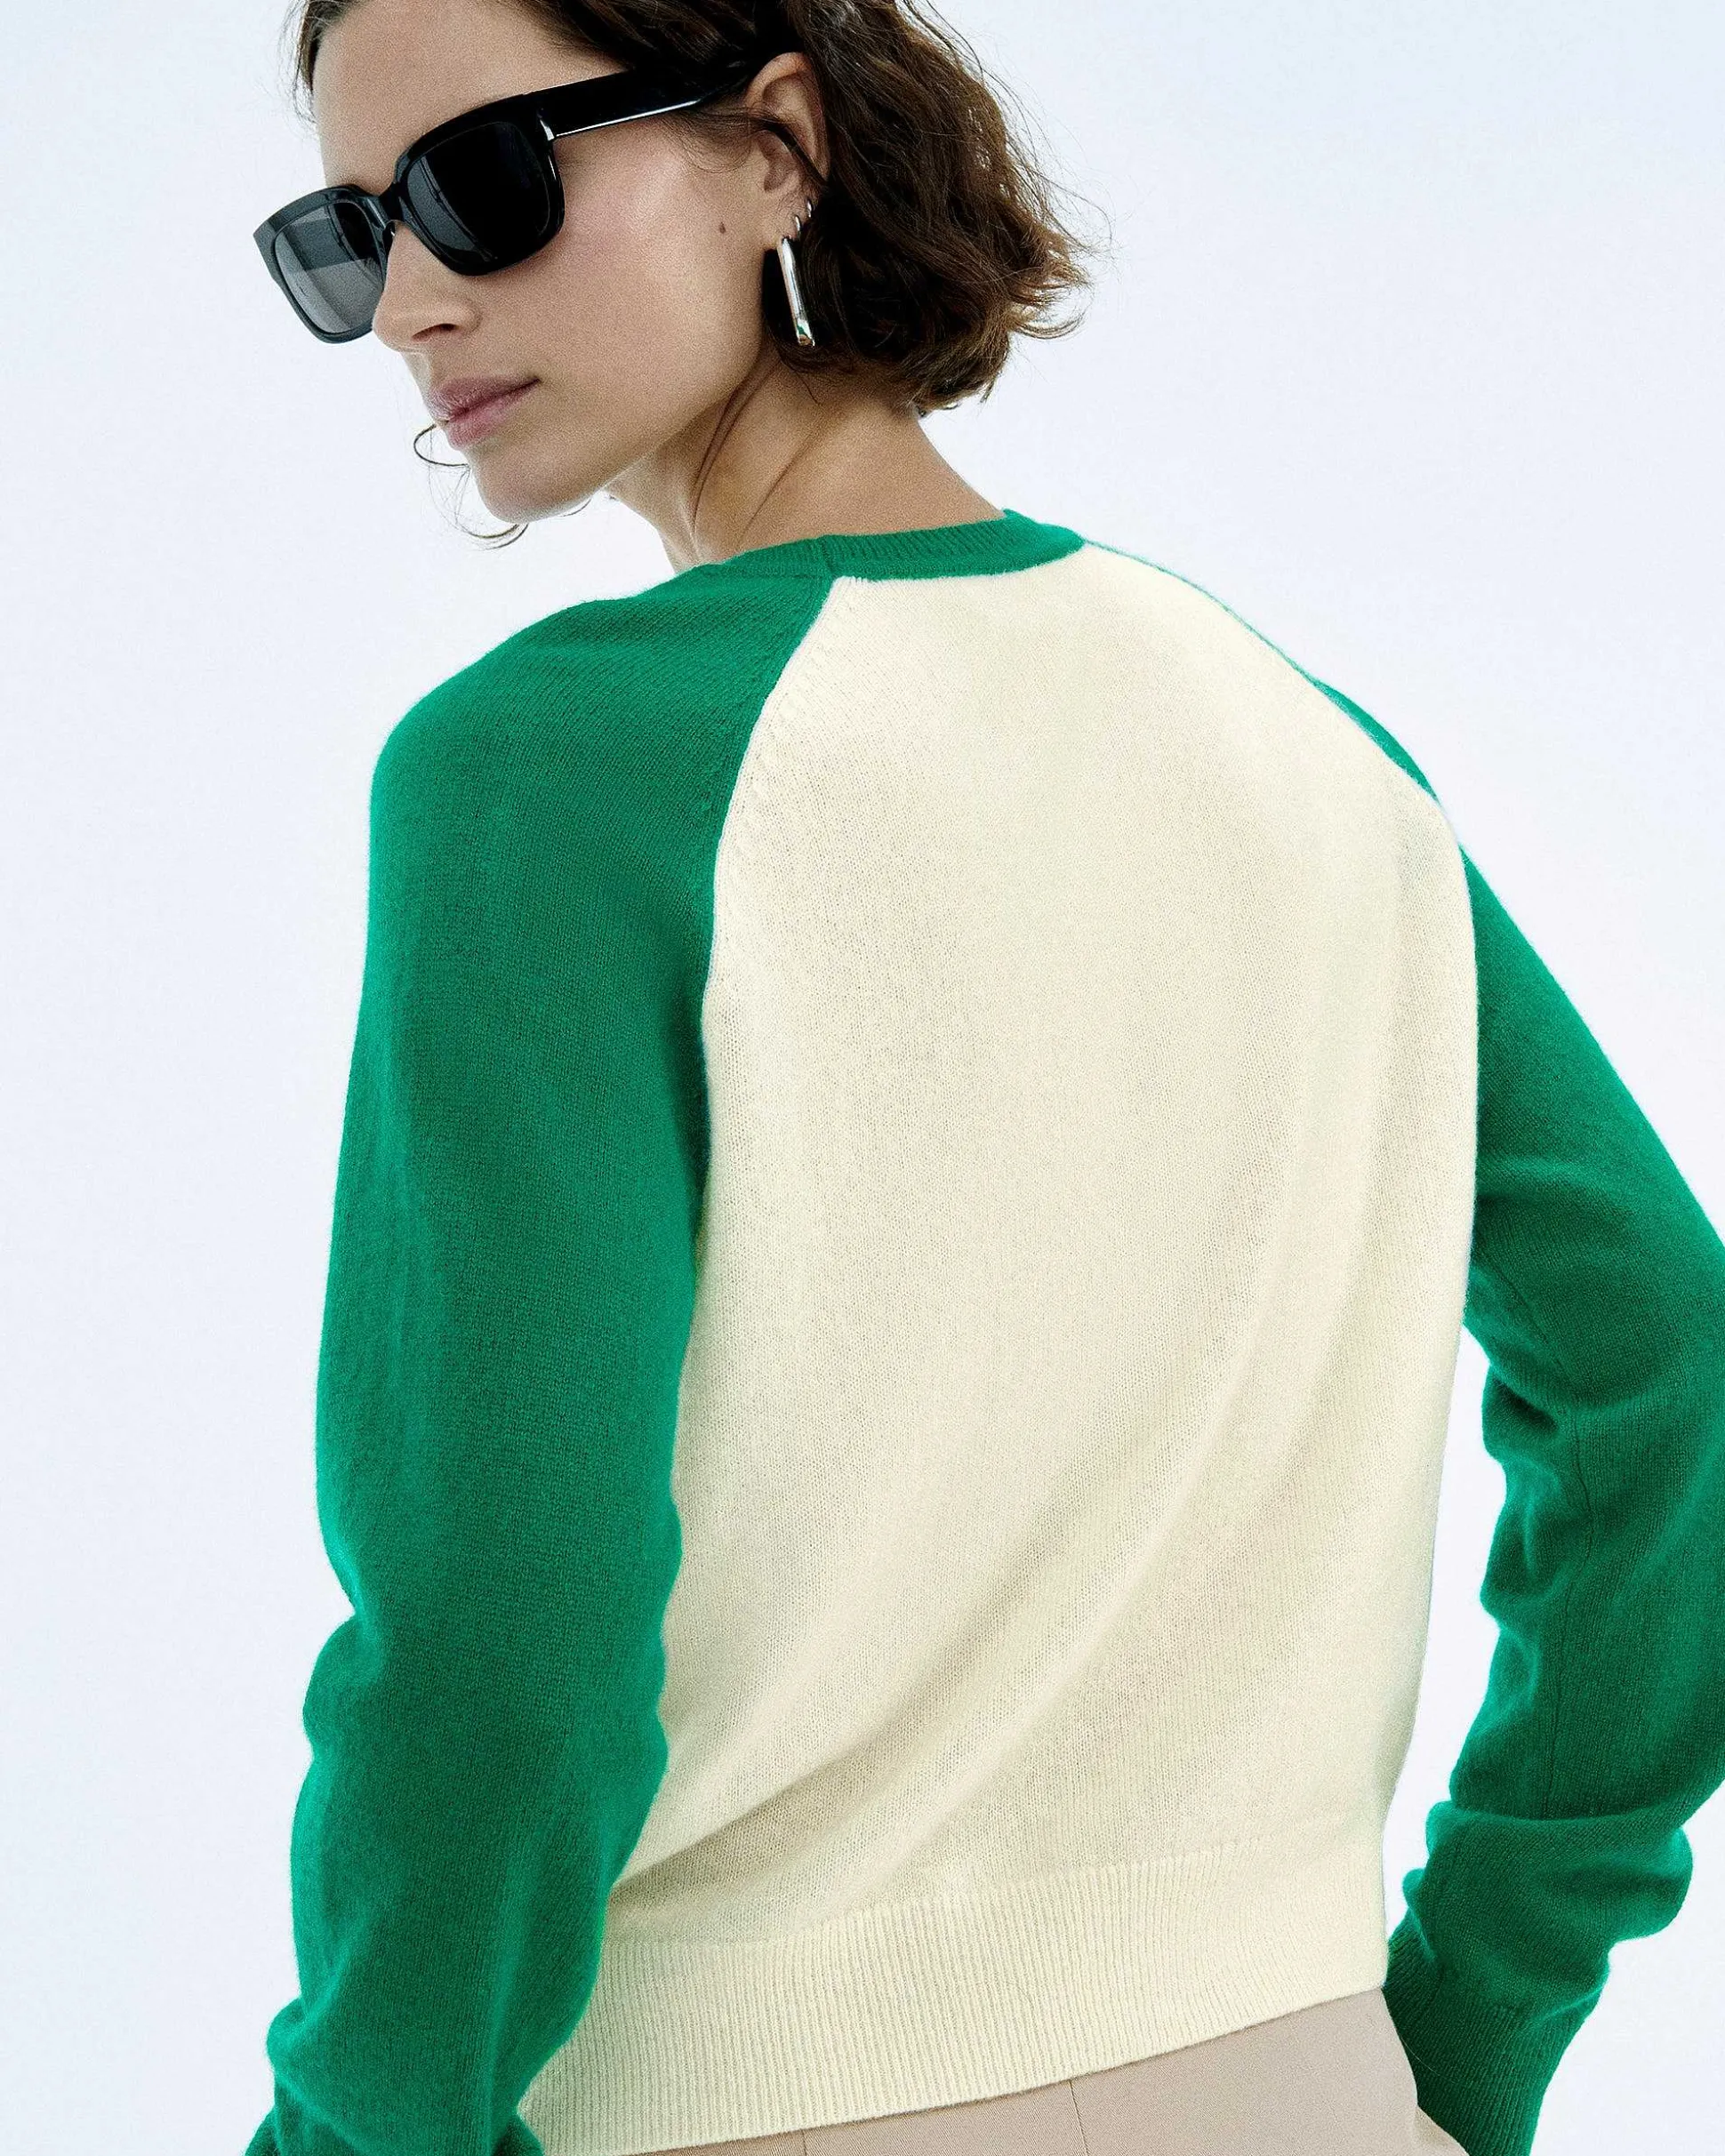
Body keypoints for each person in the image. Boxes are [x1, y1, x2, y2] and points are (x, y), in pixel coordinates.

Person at [243, 3, 1725, 2154]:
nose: (410, 303)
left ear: (776, 146)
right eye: (343, 238)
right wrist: (1475, 2011)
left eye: (484, 184)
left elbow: (503, 1641)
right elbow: (1675, 1375)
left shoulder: (545, 773)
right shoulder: (1313, 757)